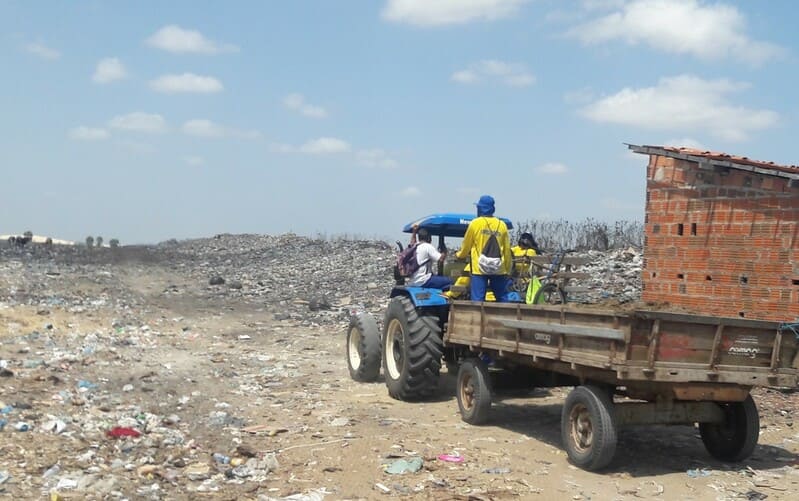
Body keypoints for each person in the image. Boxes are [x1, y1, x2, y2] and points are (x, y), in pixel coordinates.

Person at [455, 195, 513, 301]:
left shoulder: (475, 224)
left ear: (480, 208)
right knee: (503, 298)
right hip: (498, 268)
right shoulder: (502, 225)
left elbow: (466, 246)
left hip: (479, 269)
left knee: (478, 299)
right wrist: (508, 269)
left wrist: (459, 255)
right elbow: (507, 251)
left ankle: (478, 317)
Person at [406, 225, 453, 290]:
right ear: (428, 238)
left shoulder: (414, 246)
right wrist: (444, 251)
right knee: (451, 281)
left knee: (438, 278)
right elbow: (441, 259)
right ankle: (445, 295)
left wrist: (414, 232)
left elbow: (412, 242)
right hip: (424, 280)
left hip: (413, 281)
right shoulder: (427, 246)